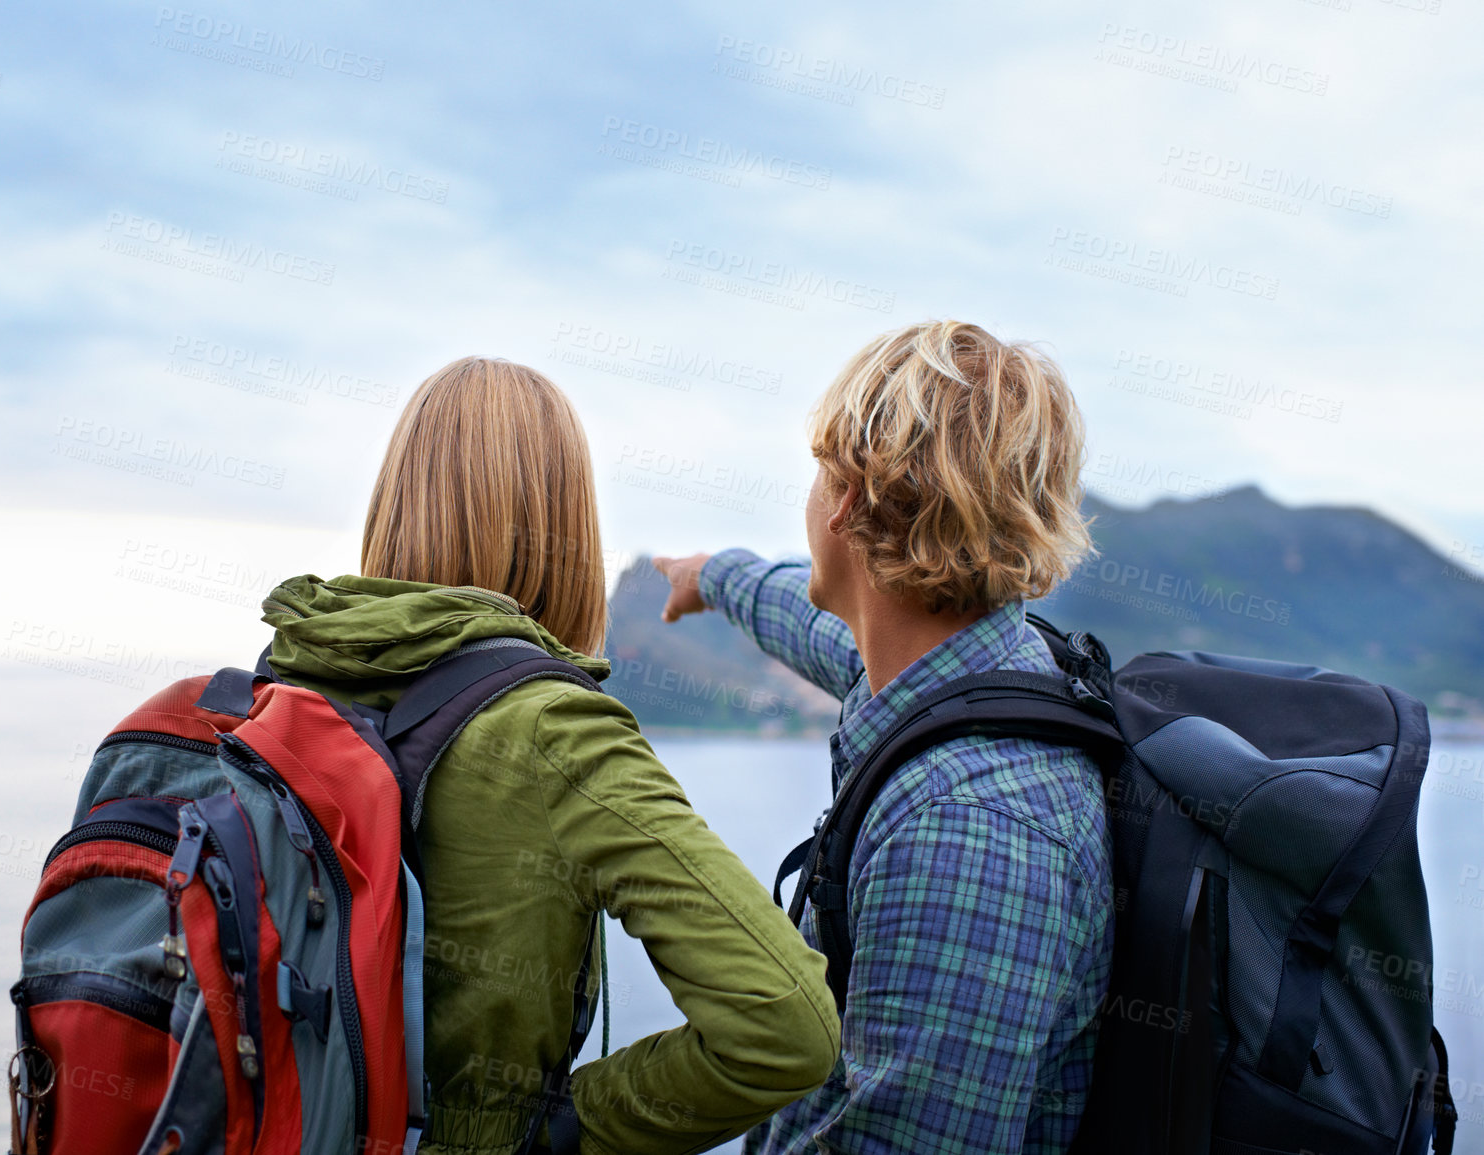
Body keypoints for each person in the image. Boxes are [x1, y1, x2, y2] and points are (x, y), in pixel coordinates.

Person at [260, 356, 840, 1155]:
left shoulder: (283, 691)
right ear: (567, 529)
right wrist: (555, 1132)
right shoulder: (553, 730)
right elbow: (787, 1027)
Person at [654, 321, 1112, 1154]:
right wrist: (708, 575)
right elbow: (804, 613)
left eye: (817, 471)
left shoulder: (969, 823)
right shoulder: (960, 669)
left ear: (847, 501)